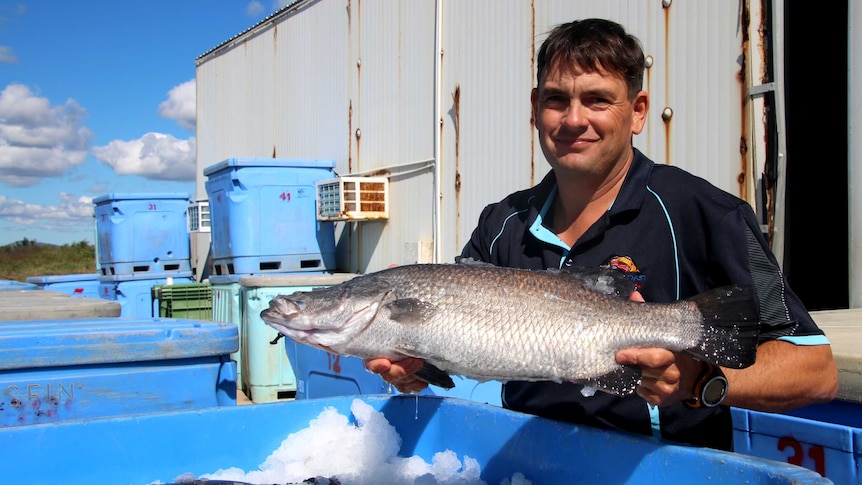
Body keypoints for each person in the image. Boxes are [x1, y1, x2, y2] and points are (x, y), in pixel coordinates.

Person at [366, 18, 838, 450]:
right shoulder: (501, 222)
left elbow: (815, 372)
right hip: (527, 466)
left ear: (637, 111)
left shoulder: (706, 214)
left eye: (597, 99)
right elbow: (461, 343)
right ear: (535, 108)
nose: (573, 119)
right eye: (556, 99)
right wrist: (415, 367)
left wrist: (699, 382)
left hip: (666, 471)